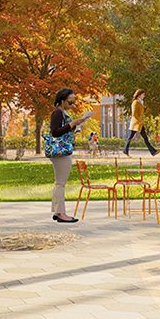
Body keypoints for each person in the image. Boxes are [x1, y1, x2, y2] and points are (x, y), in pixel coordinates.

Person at [45, 89, 98, 224]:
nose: (72, 104)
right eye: (70, 101)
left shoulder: (63, 113)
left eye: (74, 102)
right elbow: (55, 132)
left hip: (63, 150)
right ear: (62, 100)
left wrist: (76, 125)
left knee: (59, 183)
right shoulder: (57, 113)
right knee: (61, 184)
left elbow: (63, 131)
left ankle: (58, 211)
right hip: (61, 152)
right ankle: (61, 214)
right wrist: (73, 123)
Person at [123, 89, 156, 156]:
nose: (144, 96)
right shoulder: (135, 102)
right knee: (131, 137)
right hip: (136, 123)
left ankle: (153, 151)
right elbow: (134, 114)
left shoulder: (141, 102)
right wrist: (139, 120)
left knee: (143, 137)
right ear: (139, 94)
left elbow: (141, 113)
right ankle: (125, 150)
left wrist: (146, 112)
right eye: (143, 94)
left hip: (139, 123)